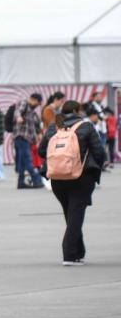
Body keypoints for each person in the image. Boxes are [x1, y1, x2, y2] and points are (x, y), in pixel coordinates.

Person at [37, 100, 107, 266]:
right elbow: (99, 152)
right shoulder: (86, 126)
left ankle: (78, 252)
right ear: (77, 110)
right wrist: (94, 167)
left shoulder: (54, 127)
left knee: (71, 215)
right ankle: (69, 255)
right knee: (75, 215)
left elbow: (41, 151)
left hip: (57, 178)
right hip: (81, 178)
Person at [14, 93, 46, 189]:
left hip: (26, 138)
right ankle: (37, 180)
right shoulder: (24, 103)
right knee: (28, 160)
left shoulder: (32, 110)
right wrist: (19, 117)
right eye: (38, 103)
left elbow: (35, 124)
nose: (37, 105)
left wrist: (38, 136)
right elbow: (18, 112)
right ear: (33, 99)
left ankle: (20, 182)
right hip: (22, 136)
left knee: (22, 161)